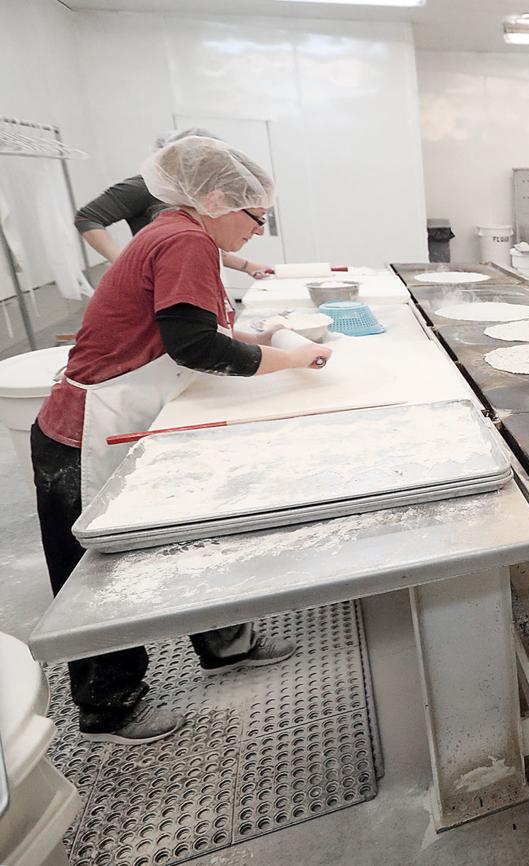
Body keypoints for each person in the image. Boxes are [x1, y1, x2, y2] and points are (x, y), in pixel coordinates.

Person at [32, 136, 332, 745]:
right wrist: (289, 360)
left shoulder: (176, 231)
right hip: (91, 431)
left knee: (188, 529)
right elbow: (194, 347)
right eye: (256, 217)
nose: (258, 231)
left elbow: (199, 324)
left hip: (137, 416)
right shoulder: (186, 239)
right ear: (216, 199)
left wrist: (265, 332)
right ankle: (109, 705)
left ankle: (226, 644)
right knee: (102, 569)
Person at [74, 128, 270, 278]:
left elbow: (205, 241)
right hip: (164, 276)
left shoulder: (200, 197)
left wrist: (248, 266)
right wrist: (123, 262)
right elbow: (88, 217)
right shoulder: (144, 188)